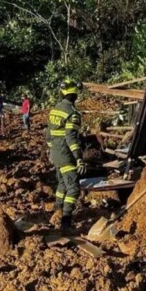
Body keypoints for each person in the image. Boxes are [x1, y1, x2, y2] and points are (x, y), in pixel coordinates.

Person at [46, 78, 86, 231]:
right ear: (75, 95)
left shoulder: (55, 110)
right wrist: (79, 158)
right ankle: (66, 221)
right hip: (65, 154)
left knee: (62, 183)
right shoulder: (72, 114)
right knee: (73, 188)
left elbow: (48, 133)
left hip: (55, 153)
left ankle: (57, 209)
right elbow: (71, 138)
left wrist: (52, 150)